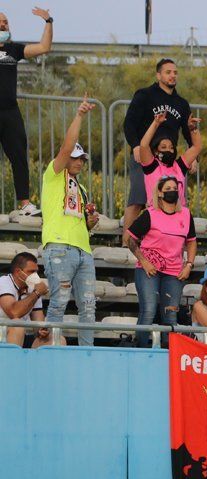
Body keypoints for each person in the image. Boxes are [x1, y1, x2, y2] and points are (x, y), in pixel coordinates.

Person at [41, 97, 99, 347]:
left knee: (88, 307)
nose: (78, 161)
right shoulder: (53, 175)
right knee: (59, 302)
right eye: (74, 157)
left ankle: (88, 356)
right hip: (59, 247)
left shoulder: (82, 187)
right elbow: (65, 149)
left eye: (81, 158)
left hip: (84, 250)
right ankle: (51, 351)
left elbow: (80, 221)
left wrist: (90, 223)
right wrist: (79, 116)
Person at [122, 58, 193, 244]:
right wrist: (135, 145)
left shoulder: (181, 104)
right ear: (158, 75)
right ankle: (126, 243)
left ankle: (172, 243)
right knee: (137, 199)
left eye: (175, 72)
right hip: (145, 156)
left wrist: (193, 158)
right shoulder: (145, 95)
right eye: (168, 72)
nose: (172, 75)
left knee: (174, 201)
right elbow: (129, 123)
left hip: (169, 160)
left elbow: (188, 132)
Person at [126, 176, 198, 348]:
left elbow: (192, 241)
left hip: (174, 272)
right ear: (159, 192)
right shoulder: (150, 214)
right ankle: (141, 350)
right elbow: (130, 239)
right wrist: (143, 261)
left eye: (175, 188)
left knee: (170, 315)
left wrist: (189, 264)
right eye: (168, 189)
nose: (172, 191)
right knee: (149, 311)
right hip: (148, 270)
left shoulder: (186, 214)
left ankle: (168, 354)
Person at [0, 7, 53, 216]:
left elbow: (44, 47)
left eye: (6, 22)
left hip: (10, 112)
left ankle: (24, 204)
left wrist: (48, 21)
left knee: (19, 157)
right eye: (1, 22)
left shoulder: (13, 49)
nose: (4, 25)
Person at [136, 110, 202, 209]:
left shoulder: (179, 166)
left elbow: (197, 147)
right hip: (156, 213)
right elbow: (144, 145)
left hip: (179, 213)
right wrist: (156, 123)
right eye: (163, 147)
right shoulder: (151, 166)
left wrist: (192, 128)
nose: (168, 150)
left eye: (171, 147)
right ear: (156, 151)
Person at [0, 252, 56, 347]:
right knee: (17, 325)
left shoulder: (32, 288)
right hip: (4, 333)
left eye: (36, 271)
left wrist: (41, 331)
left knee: (56, 339)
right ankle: (10, 362)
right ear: (18, 272)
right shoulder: (3, 282)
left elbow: (38, 322)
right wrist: (37, 293)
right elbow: (14, 313)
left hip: (19, 335)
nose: (35, 276)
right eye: (31, 271)